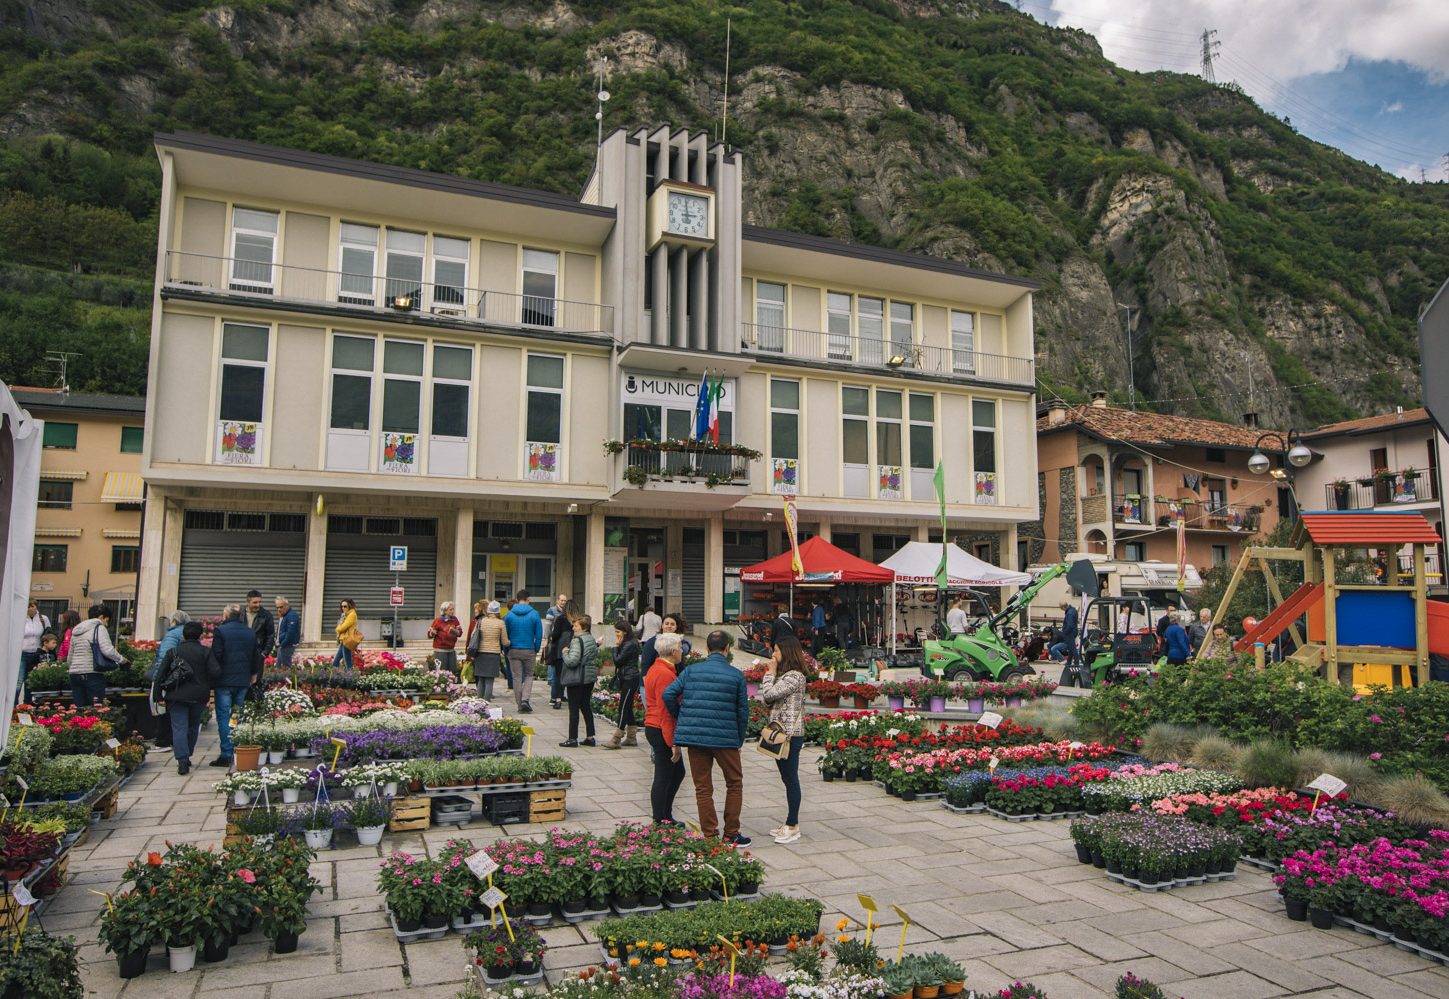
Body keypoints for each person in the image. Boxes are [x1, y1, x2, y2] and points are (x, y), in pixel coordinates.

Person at [663, 630, 750, 845]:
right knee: (734, 783)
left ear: (707, 649)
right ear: (727, 649)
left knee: (703, 787)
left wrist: (681, 714)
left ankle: (710, 836)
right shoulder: (736, 675)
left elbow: (668, 694)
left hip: (696, 739)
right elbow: (742, 712)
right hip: (725, 737)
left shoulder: (691, 671)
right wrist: (738, 739)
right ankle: (731, 833)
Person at [759, 632, 808, 845]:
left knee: (791, 779)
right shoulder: (786, 675)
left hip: (790, 735)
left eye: (776, 650)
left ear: (786, 652)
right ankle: (789, 822)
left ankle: (792, 825)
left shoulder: (794, 676)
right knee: (786, 778)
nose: (773, 654)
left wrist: (769, 673)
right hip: (780, 733)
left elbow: (768, 695)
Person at [154, 621, 220, 775]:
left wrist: (158, 695)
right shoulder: (205, 652)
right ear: (200, 635)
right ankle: (187, 753)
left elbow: (160, 674)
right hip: (198, 696)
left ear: (183, 635)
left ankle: (182, 760)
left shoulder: (173, 652)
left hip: (176, 695)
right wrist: (207, 685)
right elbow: (216, 671)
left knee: (179, 727)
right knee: (193, 726)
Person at [211, 604, 262, 768]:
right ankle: (235, 748)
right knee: (235, 715)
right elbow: (256, 656)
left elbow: (216, 655)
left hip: (224, 682)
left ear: (226, 616)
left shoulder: (220, 631)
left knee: (223, 715)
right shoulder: (249, 632)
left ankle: (226, 753)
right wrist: (253, 674)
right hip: (242, 681)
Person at [644, 631, 687, 823]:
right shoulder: (664, 673)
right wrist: (673, 743)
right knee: (664, 775)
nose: (682, 651)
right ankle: (660, 818)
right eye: (679, 647)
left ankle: (665, 816)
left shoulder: (660, 668)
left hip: (657, 726)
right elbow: (665, 711)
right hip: (660, 728)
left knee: (676, 773)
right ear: (671, 651)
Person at [67, 604, 127, 708]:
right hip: (92, 674)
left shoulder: (76, 631)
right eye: (106, 620)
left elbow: (70, 656)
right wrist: (122, 660)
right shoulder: (99, 628)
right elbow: (107, 650)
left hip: (74, 674)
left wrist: (74, 668)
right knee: (96, 709)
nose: (106, 624)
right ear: (101, 617)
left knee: (80, 709)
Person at [558, 613, 599, 747]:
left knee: (574, 708)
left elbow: (572, 661)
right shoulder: (591, 639)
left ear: (583, 627)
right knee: (586, 706)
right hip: (589, 677)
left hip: (577, 678)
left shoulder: (577, 640)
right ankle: (590, 736)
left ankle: (572, 738)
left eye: (576, 626)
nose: (573, 628)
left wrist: (565, 652)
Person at [603, 622, 641, 749]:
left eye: (618, 632)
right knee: (627, 707)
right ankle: (631, 737)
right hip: (627, 677)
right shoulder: (629, 642)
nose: (616, 634)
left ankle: (616, 738)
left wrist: (616, 647)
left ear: (624, 632)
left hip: (630, 678)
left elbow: (618, 661)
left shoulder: (629, 644)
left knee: (623, 707)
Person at [504, 590, 542, 713]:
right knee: (529, 675)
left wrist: (506, 649)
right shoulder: (535, 614)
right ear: (528, 599)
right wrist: (536, 648)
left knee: (516, 678)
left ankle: (520, 705)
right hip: (529, 649)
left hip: (513, 649)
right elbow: (539, 635)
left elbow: (505, 635)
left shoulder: (509, 615)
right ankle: (525, 699)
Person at [468, 601, 507, 699]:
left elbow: (473, 635)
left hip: (480, 653)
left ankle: (479, 701)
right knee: (490, 680)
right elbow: (505, 641)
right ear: (498, 611)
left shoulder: (481, 621)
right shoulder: (501, 623)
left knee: (481, 679)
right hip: (493, 654)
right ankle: (487, 702)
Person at [544, 598, 575, 708]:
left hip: (560, 651)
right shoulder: (578, 621)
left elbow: (555, 635)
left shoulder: (561, 619)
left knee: (558, 675)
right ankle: (572, 698)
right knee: (571, 675)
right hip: (574, 651)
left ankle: (557, 699)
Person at [20, 600, 50, 695]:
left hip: (36, 653)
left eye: (33, 606)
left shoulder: (43, 619)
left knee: (32, 680)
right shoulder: (20, 618)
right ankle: (14, 705)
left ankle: (28, 703)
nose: (31, 608)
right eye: (29, 606)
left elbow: (48, 634)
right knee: (19, 680)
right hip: (22, 653)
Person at [429, 602, 464, 674]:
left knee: (452, 671)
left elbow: (460, 633)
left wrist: (454, 631)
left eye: (453, 609)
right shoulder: (438, 620)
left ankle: (451, 685)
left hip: (451, 650)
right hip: (440, 650)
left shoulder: (455, 619)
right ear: (444, 610)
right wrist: (432, 633)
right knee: (442, 672)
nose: (452, 611)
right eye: (450, 610)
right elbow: (430, 635)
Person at [245, 589, 275, 659]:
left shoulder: (266, 615)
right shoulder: (240, 614)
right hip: (242, 654)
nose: (258, 605)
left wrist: (264, 653)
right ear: (247, 602)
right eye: (255, 602)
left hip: (258, 653)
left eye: (259, 602)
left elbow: (270, 636)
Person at [1049, 600, 1079, 665]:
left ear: (1062, 607)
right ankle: (1069, 662)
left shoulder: (1069, 613)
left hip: (1070, 633)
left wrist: (1064, 632)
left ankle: (1077, 663)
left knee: (1073, 649)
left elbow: (1070, 625)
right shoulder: (1073, 610)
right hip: (1073, 631)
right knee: (1071, 648)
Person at [333, 598, 361, 670]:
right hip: (344, 640)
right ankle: (336, 677)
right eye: (342, 606)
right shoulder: (345, 615)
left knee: (348, 664)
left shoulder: (352, 615)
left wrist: (337, 629)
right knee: (335, 662)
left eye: (345, 606)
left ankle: (350, 678)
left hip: (347, 640)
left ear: (349, 606)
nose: (343, 608)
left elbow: (343, 627)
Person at [274, 597, 301, 669]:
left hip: (287, 645)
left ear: (287, 606)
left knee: (285, 668)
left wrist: (282, 644)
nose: (279, 609)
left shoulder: (292, 615)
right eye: (277, 608)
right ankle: (280, 680)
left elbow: (290, 633)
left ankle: (285, 680)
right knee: (279, 667)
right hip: (283, 645)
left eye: (281, 607)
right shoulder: (284, 615)